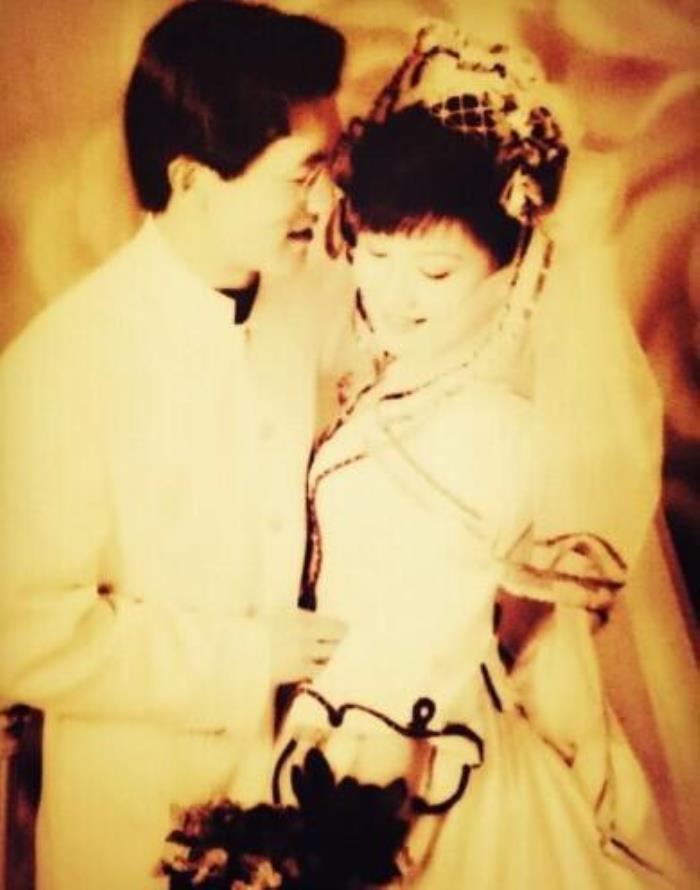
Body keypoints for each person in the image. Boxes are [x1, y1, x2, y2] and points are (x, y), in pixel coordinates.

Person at [273, 22, 692, 888]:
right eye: (377, 255)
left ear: (511, 267)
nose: (393, 294)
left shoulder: (510, 435)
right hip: (322, 740)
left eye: (434, 274)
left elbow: (535, 647)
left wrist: (415, 740)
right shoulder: (370, 390)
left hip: (442, 760)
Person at [0, 2, 348, 888]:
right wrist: (246, 658)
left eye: (330, 168)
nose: (326, 202)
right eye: (302, 175)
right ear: (192, 180)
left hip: (295, 799)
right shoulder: (61, 363)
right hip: (133, 826)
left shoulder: (307, 296)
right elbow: (23, 634)